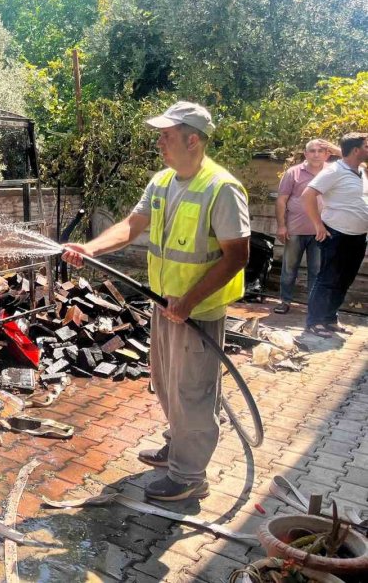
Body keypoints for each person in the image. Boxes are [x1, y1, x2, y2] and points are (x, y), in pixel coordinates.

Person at [62, 101, 250, 502]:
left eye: (167, 135)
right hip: (165, 304)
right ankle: (176, 448)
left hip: (197, 311)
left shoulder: (222, 188)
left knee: (193, 392)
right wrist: (91, 247)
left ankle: (190, 476)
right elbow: (132, 226)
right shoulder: (163, 182)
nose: (160, 143)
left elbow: (238, 255)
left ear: (193, 139)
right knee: (165, 384)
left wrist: (189, 302)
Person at [300, 132, 368, 337]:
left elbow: (351, 156)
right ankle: (314, 322)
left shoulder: (360, 170)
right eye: (367, 146)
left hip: (358, 236)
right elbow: (308, 195)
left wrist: (340, 150)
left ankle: (330, 319)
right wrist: (318, 225)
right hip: (337, 235)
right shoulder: (334, 171)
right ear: (357, 150)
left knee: (344, 280)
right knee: (327, 279)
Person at [273, 139, 340, 314]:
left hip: (322, 231)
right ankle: (285, 301)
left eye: (320, 151)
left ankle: (313, 306)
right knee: (289, 268)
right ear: (306, 154)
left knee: (317, 271)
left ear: (327, 154)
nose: (316, 154)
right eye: (312, 151)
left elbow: (360, 165)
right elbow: (281, 200)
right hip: (295, 230)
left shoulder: (333, 172)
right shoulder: (293, 173)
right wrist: (281, 226)